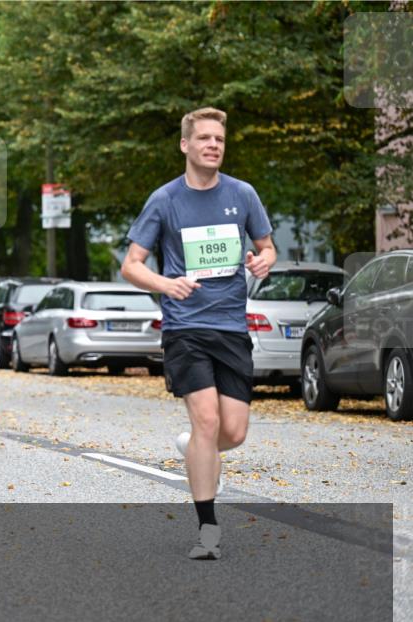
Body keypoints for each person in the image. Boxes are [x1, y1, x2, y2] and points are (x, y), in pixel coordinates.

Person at [120, 107, 276, 560]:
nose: (213, 145)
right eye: (204, 138)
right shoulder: (165, 200)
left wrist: (264, 260)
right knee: (206, 420)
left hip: (230, 326)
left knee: (234, 431)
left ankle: (195, 449)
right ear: (185, 145)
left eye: (219, 140)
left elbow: (267, 248)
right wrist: (167, 284)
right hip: (185, 326)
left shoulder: (243, 195)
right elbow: (132, 264)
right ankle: (208, 531)